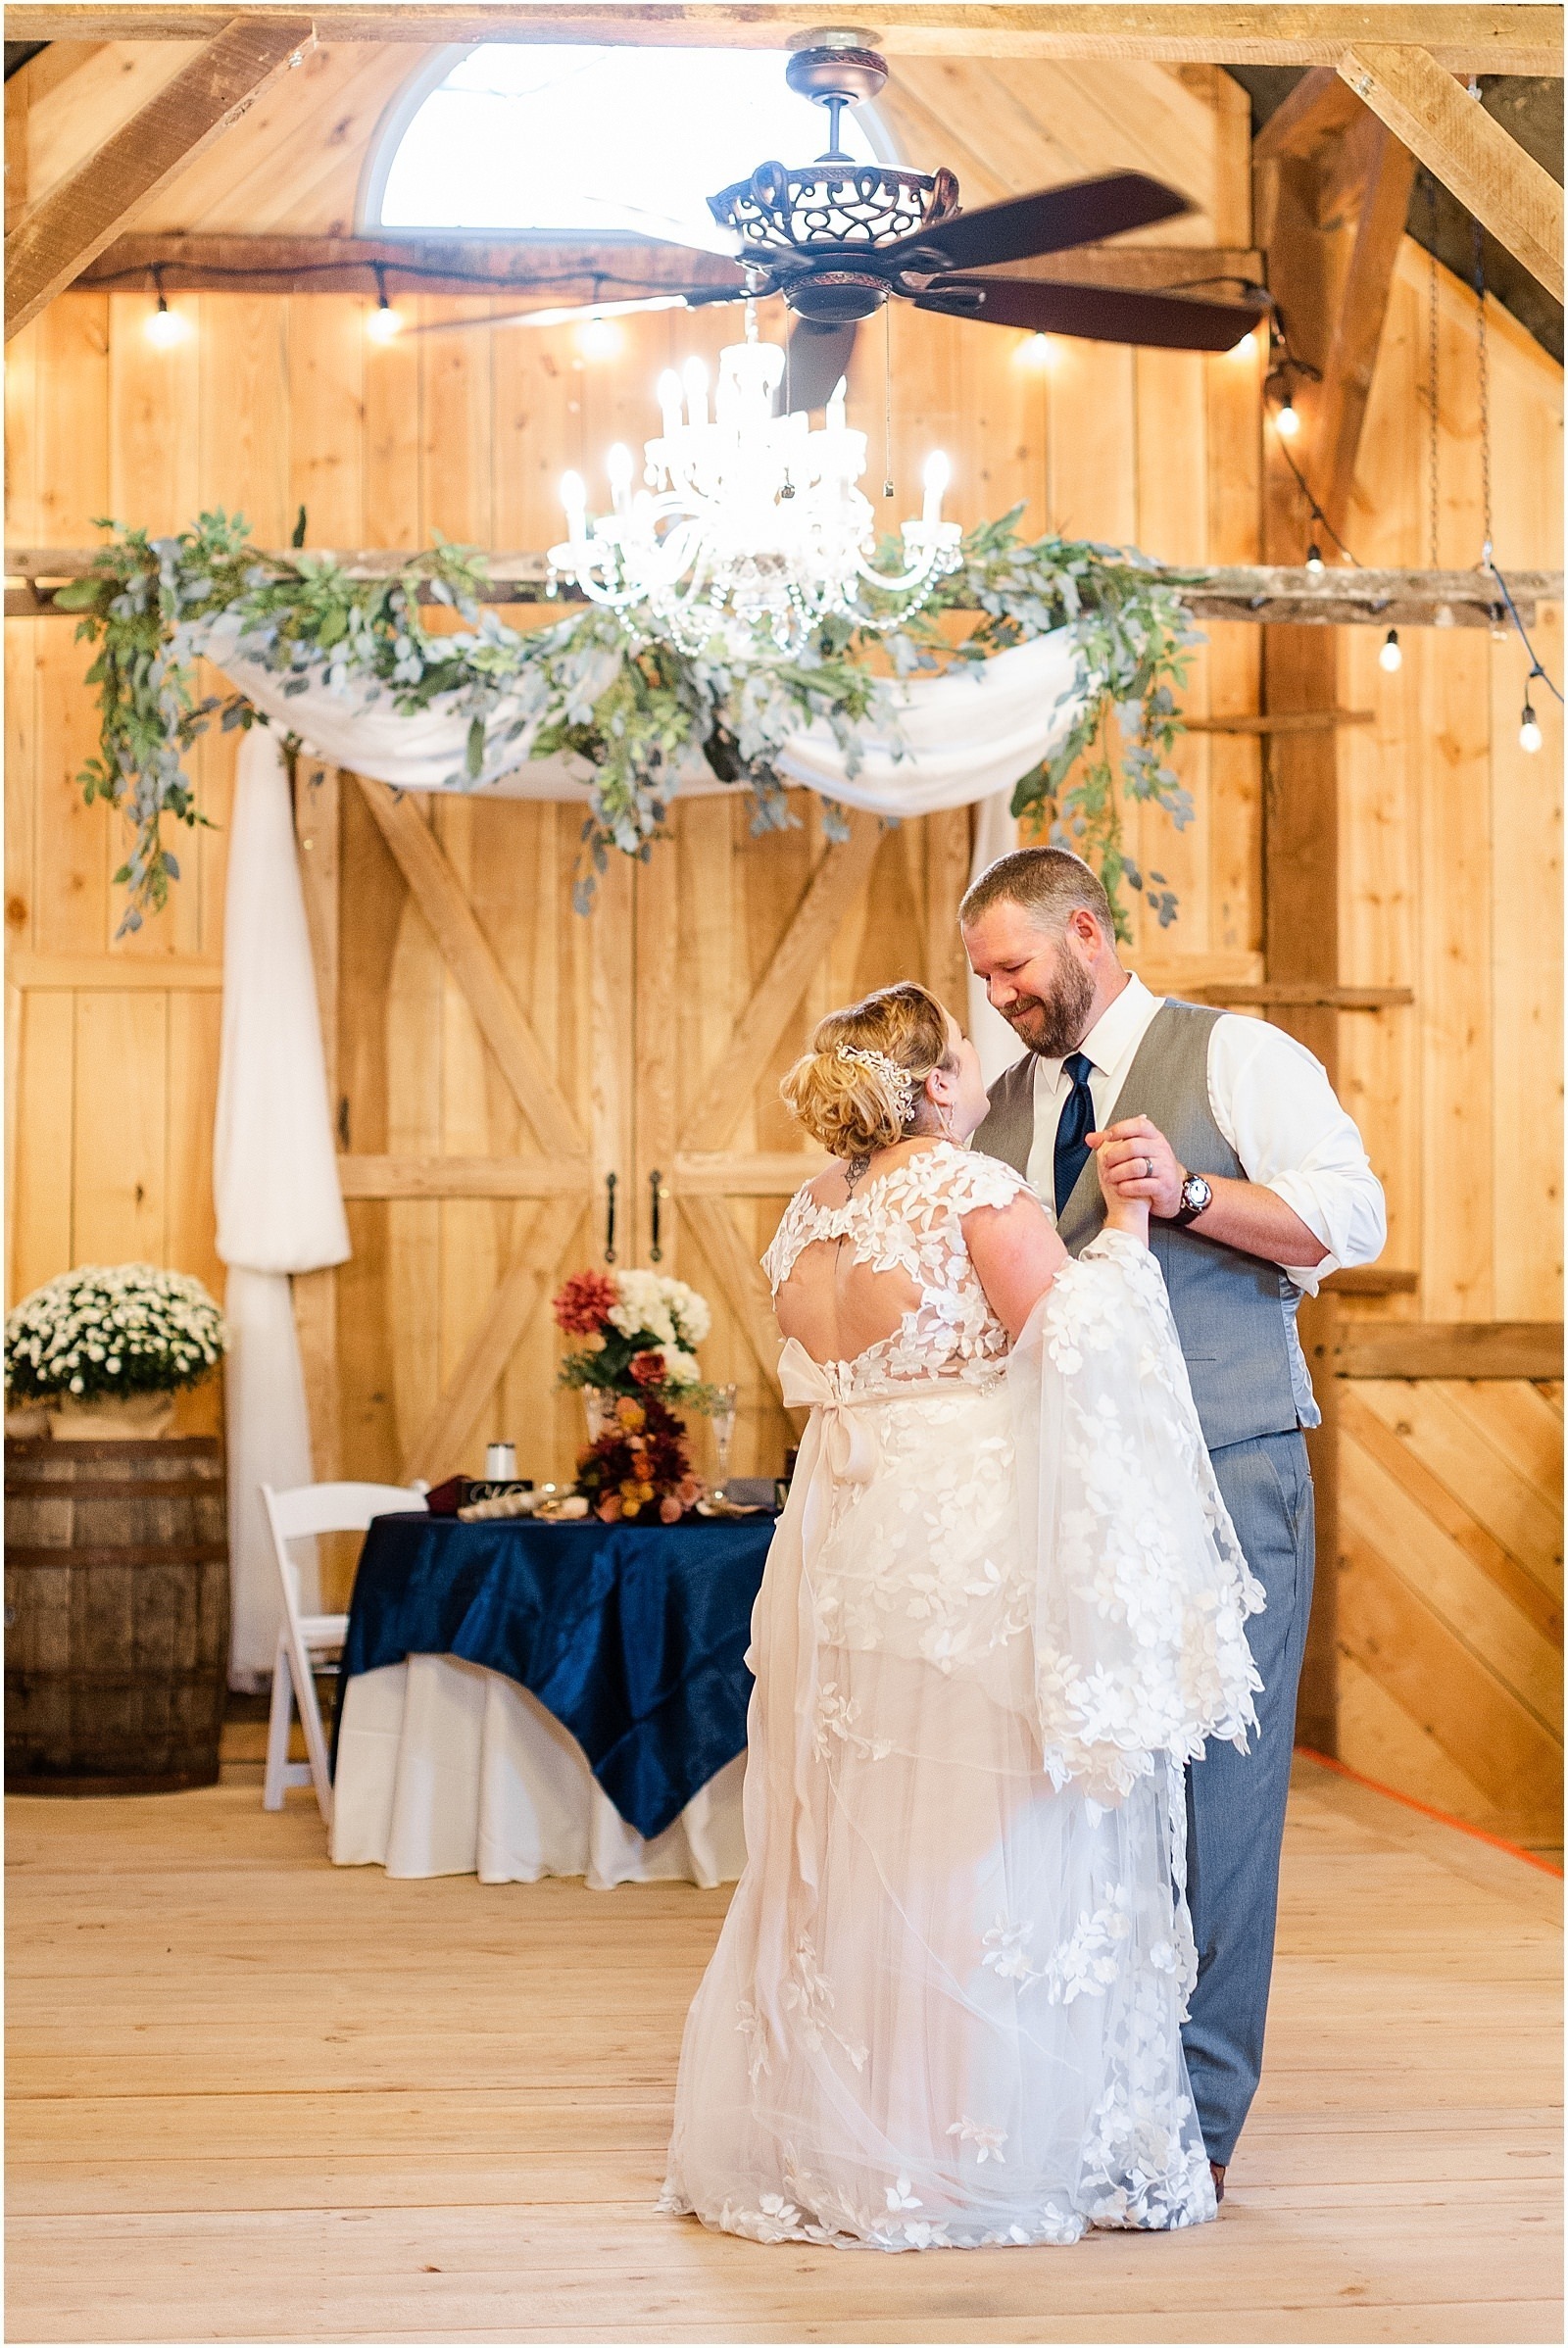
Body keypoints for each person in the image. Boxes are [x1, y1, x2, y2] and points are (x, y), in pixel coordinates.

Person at [661, 981, 1264, 2249]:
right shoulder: (969, 1190)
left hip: (842, 1547)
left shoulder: (809, 1215)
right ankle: (959, 2149)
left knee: (853, 1835)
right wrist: (1133, 1237)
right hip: (956, 1551)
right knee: (979, 1832)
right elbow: (1078, 1347)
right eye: (968, 1044)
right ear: (936, 1084)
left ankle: (852, 2129)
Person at [960, 846, 1387, 2199]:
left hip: (1227, 1466)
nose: (1004, 999)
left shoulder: (1233, 1055)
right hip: (1067, 1495)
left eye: (1016, 970)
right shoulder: (1004, 1110)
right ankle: (1092, 2106)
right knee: (1079, 1799)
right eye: (984, 980)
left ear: (1084, 932)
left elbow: (1351, 1220)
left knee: (1223, 1805)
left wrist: (1194, 1197)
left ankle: (1191, 2136)